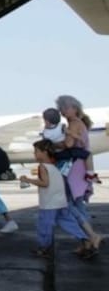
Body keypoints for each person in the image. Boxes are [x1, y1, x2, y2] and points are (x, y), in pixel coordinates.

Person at [19, 139, 97, 259]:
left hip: (49, 204)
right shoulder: (54, 167)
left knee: (44, 225)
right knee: (68, 223)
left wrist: (27, 180)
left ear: (44, 152)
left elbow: (45, 183)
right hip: (61, 202)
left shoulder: (42, 166)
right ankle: (85, 241)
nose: (34, 154)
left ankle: (44, 248)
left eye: (36, 151)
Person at [56, 95, 97, 232]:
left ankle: (89, 237)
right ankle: (90, 237)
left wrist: (53, 144)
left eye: (65, 108)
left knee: (71, 202)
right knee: (78, 202)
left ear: (75, 108)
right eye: (61, 108)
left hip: (75, 164)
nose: (63, 111)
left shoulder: (73, 123)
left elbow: (68, 144)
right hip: (82, 164)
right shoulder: (80, 123)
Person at [42, 107, 99, 182]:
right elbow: (71, 133)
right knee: (88, 155)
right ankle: (90, 175)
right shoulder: (62, 127)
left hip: (56, 154)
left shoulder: (44, 132)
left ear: (47, 121)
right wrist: (80, 138)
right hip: (65, 151)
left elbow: (46, 144)